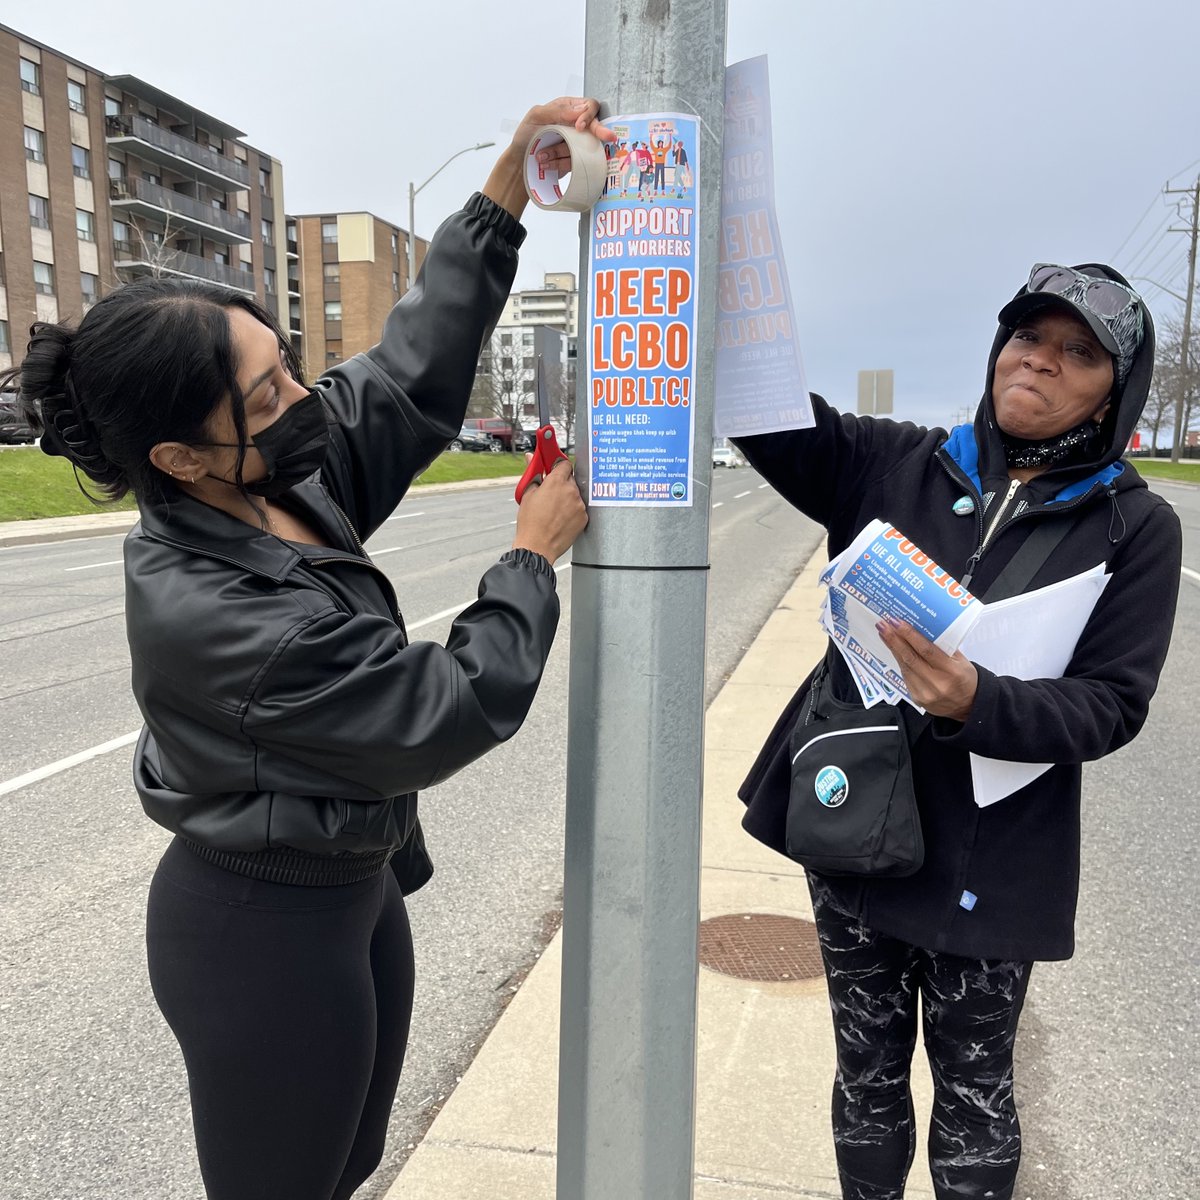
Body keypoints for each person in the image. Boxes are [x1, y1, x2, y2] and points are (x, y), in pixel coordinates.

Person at [6, 97, 611, 1200]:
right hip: (259, 932)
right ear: (181, 458)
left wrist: (506, 189)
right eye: (270, 391)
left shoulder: (274, 476)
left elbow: (406, 374)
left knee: (350, 1164)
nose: (304, 399)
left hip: (352, 893)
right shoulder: (213, 616)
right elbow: (442, 706)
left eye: (287, 366)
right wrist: (527, 559)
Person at [733, 263, 1182, 1200]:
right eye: (1029, 337)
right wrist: (717, 253)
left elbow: (1112, 704)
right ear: (996, 347)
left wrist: (978, 699)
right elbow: (763, 406)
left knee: (976, 1089)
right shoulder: (893, 460)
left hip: (996, 855)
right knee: (867, 1075)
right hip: (859, 830)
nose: (1042, 362)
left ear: (1115, 388)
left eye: (1079, 353)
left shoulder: (1134, 527)